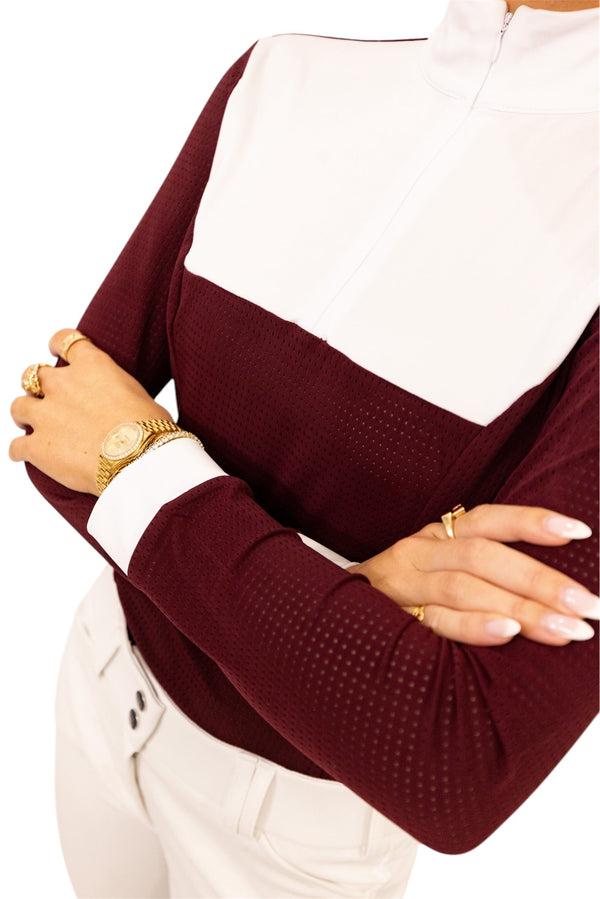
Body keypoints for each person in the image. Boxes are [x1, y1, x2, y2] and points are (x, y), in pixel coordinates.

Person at [8, 0, 599, 896]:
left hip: (290, 835)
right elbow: (54, 425)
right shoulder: (282, 75)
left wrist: (132, 458)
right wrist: (352, 597)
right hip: (104, 678)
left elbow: (457, 759)